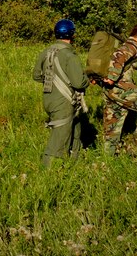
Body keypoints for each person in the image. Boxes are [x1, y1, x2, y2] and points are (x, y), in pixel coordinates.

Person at [32, 18, 89, 168]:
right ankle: (47, 174)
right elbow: (78, 82)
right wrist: (88, 79)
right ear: (72, 34)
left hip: (49, 99)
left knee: (75, 129)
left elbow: (37, 76)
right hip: (64, 102)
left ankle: (74, 162)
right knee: (57, 141)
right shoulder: (70, 56)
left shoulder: (46, 52)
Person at [100, 24, 137, 156]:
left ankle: (109, 156)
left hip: (110, 90)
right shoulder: (131, 47)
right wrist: (112, 77)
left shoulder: (123, 44)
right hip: (120, 88)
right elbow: (119, 56)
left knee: (114, 120)